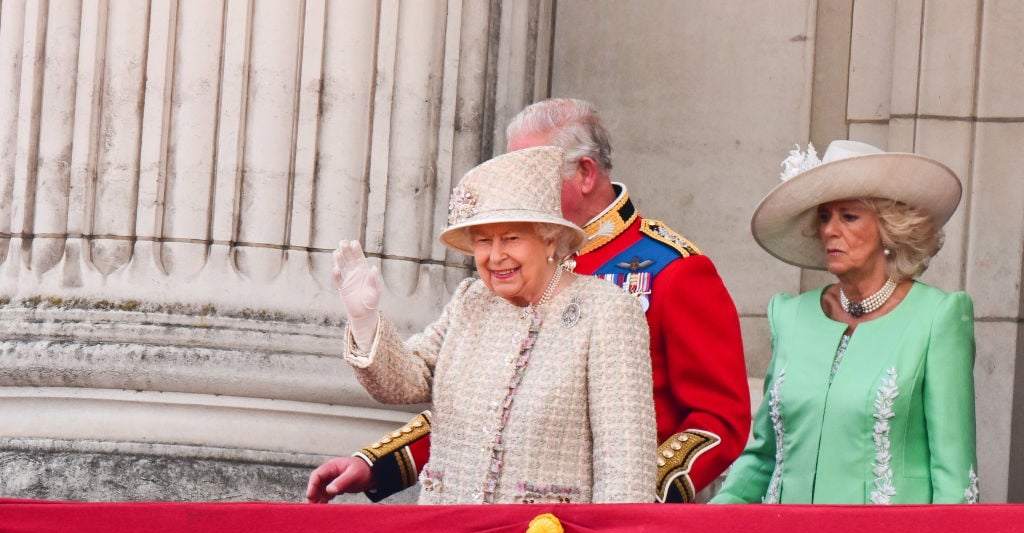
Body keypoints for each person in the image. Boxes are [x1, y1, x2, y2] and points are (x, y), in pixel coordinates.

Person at [307, 98, 750, 504]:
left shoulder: (672, 268)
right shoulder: (496, 278)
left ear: (586, 173)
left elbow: (719, 420)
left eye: (531, 171)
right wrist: (375, 463)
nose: (512, 187)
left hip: (582, 517)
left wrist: (638, 498)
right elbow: (480, 406)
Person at [315, 145, 656, 504]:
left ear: (550, 240)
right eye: (483, 240)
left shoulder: (607, 311)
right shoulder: (471, 300)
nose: (495, 256)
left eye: (511, 238)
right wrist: (365, 321)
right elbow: (404, 383)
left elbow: (626, 468)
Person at [712, 140, 979, 504]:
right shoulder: (790, 316)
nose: (829, 231)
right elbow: (763, 456)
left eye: (848, 216)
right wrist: (712, 525)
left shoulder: (937, 318)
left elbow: (954, 475)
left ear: (888, 228)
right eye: (824, 217)